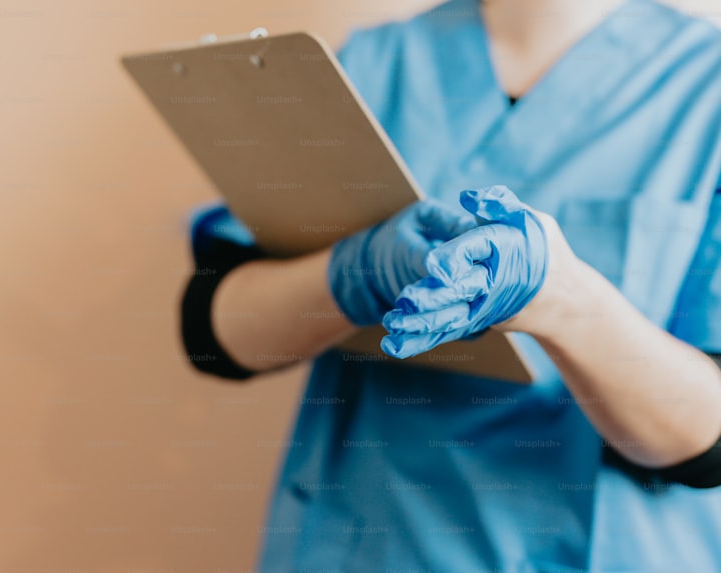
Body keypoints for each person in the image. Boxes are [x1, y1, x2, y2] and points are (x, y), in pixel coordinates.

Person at [180, 0, 721, 570]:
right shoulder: (372, 64)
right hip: (366, 539)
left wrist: (563, 300)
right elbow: (215, 333)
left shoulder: (706, 90)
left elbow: (707, 440)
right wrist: (351, 272)